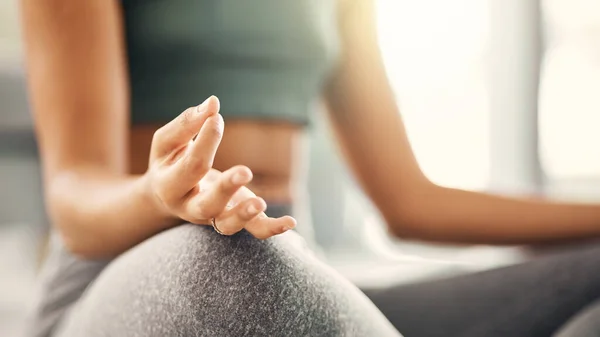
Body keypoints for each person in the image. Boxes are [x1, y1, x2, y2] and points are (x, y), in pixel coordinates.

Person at [18, 0, 600, 336]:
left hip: (296, 266)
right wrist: (158, 196)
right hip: (122, 268)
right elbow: (75, 203)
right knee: (233, 258)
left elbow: (411, 202)